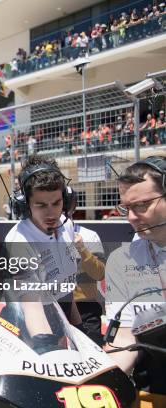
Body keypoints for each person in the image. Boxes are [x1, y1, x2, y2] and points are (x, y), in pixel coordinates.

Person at [105, 156, 165, 404]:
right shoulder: (122, 260)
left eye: (141, 205)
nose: (130, 217)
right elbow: (124, 338)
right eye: (125, 208)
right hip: (154, 391)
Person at [5, 155, 79, 339]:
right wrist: (46, 343)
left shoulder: (66, 224)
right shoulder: (19, 241)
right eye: (41, 205)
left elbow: (67, 290)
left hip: (64, 313)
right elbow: (33, 308)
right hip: (34, 322)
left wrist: (79, 328)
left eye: (57, 203)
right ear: (25, 205)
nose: (52, 212)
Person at [67, 191, 106, 346]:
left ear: (74, 206)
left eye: (67, 203)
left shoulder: (89, 236)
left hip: (85, 309)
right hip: (54, 307)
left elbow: (100, 274)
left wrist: (82, 249)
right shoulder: (42, 237)